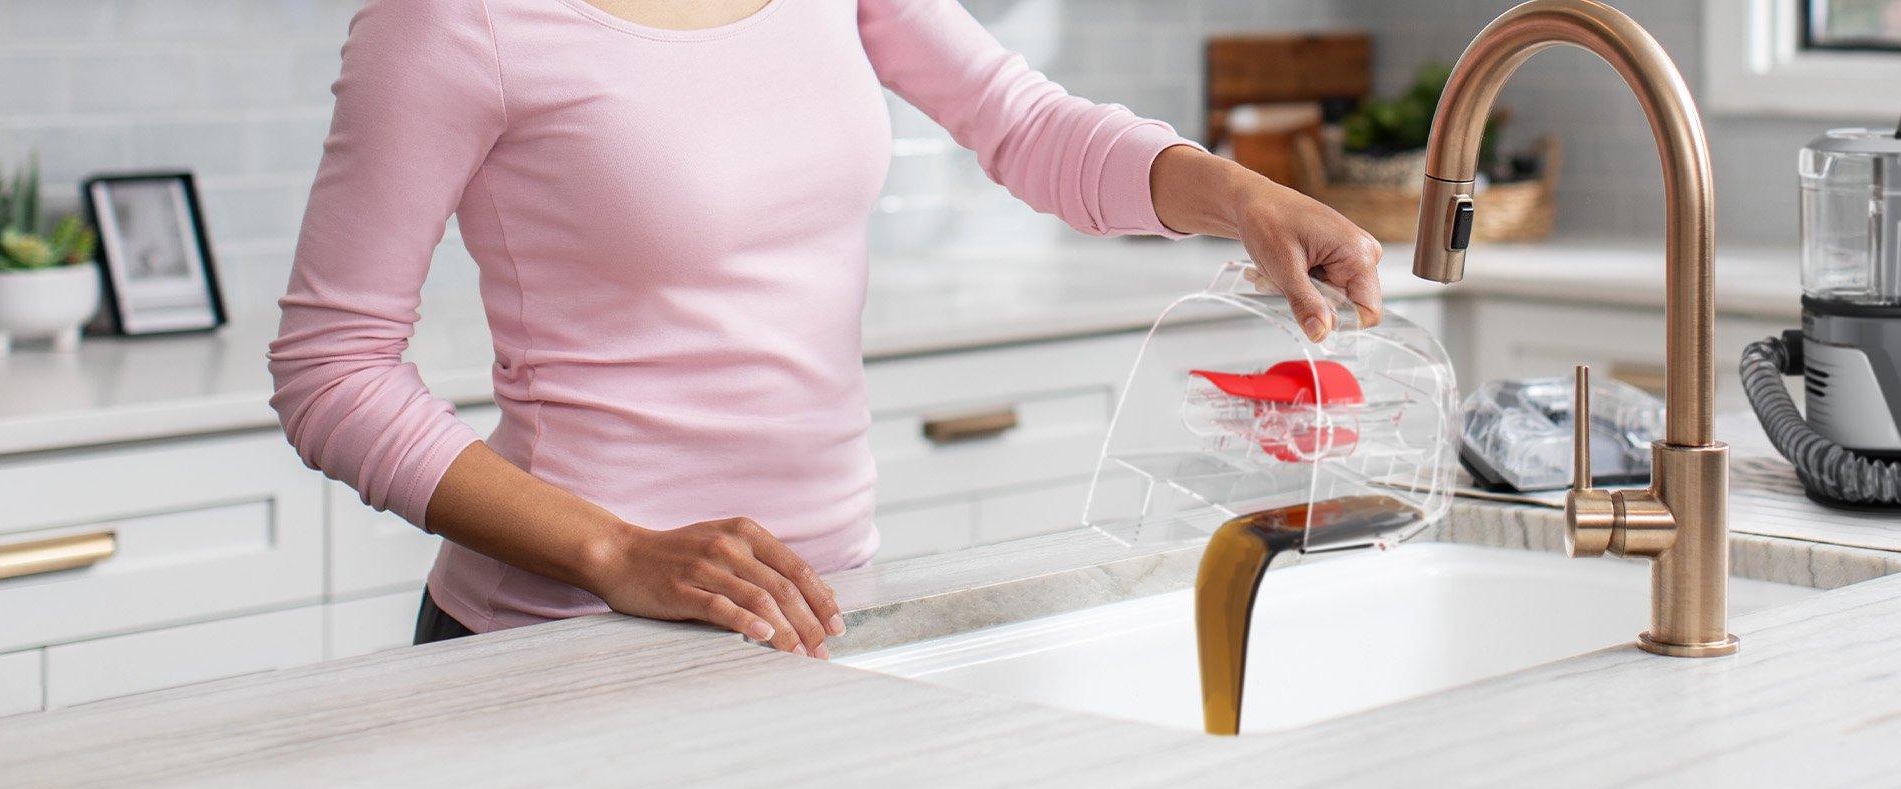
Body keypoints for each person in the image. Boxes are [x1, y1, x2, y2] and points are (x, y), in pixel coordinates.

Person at [270, 0, 1387, 657]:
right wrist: (615, 551)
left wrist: (1237, 194)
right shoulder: (453, 23)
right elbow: (331, 369)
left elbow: (1029, 126)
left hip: (821, 608)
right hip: (565, 631)